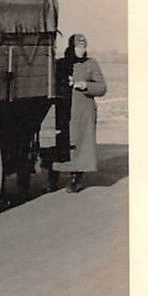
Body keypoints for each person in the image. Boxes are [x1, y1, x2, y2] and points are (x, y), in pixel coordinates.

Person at [51, 33, 106, 193]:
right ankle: (52, 178)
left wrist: (85, 85)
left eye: (84, 46)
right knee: (60, 143)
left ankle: (76, 179)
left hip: (83, 113)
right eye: (79, 46)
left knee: (81, 146)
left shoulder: (91, 64)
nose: (83, 50)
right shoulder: (61, 64)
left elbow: (102, 88)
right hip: (64, 110)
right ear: (72, 47)